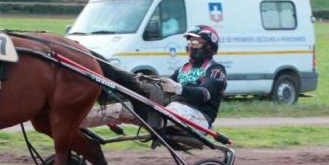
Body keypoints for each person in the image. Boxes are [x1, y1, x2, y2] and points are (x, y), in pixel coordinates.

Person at [81, 25, 227, 129]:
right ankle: (77, 121)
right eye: (189, 42)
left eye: (195, 42)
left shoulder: (216, 70)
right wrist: (147, 83)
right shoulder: (184, 68)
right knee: (120, 108)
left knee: (172, 108)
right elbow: (163, 89)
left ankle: (152, 117)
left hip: (198, 117)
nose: (190, 45)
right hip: (172, 112)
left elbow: (205, 94)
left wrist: (178, 88)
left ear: (209, 46)